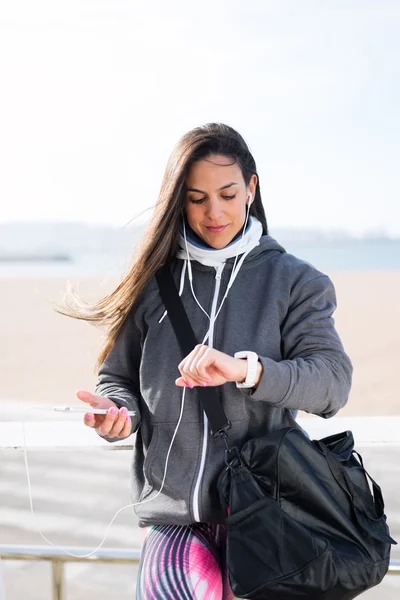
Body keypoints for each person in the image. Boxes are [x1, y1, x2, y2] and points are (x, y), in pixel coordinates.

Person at [71, 123, 353, 599]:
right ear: (178, 199)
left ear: (251, 188)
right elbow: (117, 376)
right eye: (197, 198)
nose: (214, 212)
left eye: (227, 193)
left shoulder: (296, 281)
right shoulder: (150, 283)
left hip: (269, 513)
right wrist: (117, 413)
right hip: (172, 515)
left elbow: (332, 383)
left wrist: (249, 370)